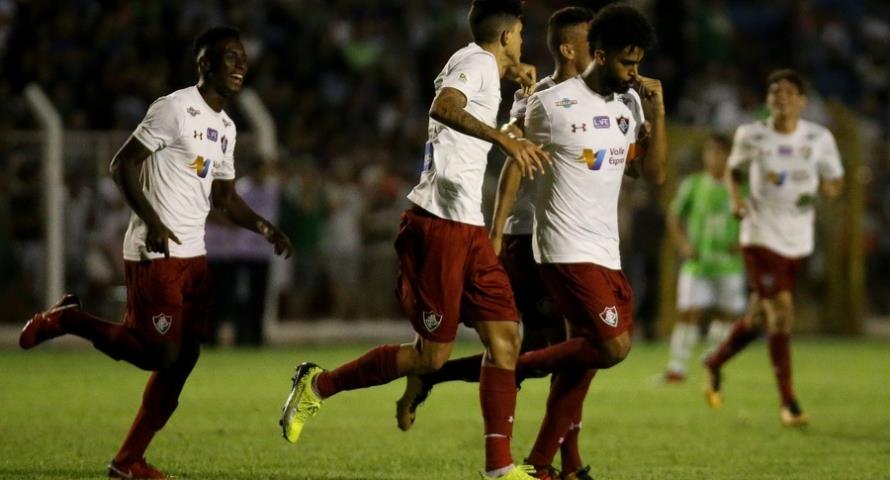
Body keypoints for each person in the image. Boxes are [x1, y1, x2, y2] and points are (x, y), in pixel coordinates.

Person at [278, 1, 549, 479]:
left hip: (467, 225)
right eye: (522, 33)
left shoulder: (486, 67)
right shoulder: (475, 62)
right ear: (506, 35)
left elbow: (471, 118)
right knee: (431, 355)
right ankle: (317, 386)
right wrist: (505, 138)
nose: (525, 41)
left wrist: (511, 89)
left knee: (506, 339)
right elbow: (444, 108)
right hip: (438, 223)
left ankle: (500, 467)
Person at [18, 26, 293, 479]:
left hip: (194, 257)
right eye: (230, 57)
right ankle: (71, 319)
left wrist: (265, 227)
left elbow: (223, 198)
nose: (241, 64)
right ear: (205, 64)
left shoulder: (226, 127)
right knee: (158, 356)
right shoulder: (174, 109)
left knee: (184, 358)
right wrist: (151, 221)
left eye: (243, 57)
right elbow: (121, 165)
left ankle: (128, 461)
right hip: (155, 252)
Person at [394, 7, 601, 479]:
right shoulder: (545, 96)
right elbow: (509, 159)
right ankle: (552, 464)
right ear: (570, 48)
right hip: (530, 240)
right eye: (593, 42)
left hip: (570, 240)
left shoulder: (567, 94)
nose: (599, 51)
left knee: (537, 355)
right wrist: (499, 229)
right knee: (567, 351)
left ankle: (436, 378)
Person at [703, 69, 844, 427]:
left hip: (798, 237)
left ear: (802, 100)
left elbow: (836, 178)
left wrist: (831, 188)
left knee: (758, 317)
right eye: (773, 92)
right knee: (782, 310)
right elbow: (734, 171)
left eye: (787, 92)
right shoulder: (751, 134)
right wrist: (736, 201)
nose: (779, 97)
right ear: (768, 101)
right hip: (759, 232)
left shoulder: (819, 137)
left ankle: (716, 361)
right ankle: (789, 403)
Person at [662, 133, 746, 382]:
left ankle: (712, 360)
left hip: (729, 264)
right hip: (697, 262)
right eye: (710, 152)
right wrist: (684, 244)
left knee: (726, 315)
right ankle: (677, 368)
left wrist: (742, 242)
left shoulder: (740, 188)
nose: (714, 158)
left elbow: (752, 218)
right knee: (688, 312)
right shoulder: (694, 184)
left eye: (720, 153)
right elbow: (674, 216)